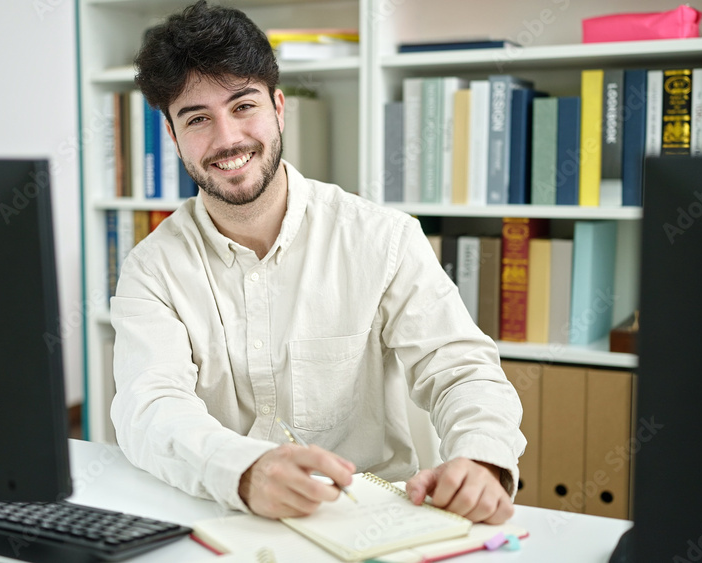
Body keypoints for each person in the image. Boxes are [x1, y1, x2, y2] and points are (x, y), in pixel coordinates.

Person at [111, 0, 525, 525]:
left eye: (243, 106)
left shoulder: (384, 238)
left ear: (278, 108)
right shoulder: (151, 268)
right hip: (225, 516)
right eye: (197, 119)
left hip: (372, 519)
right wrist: (244, 470)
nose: (227, 139)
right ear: (172, 137)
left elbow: (460, 369)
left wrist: (482, 458)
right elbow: (148, 404)